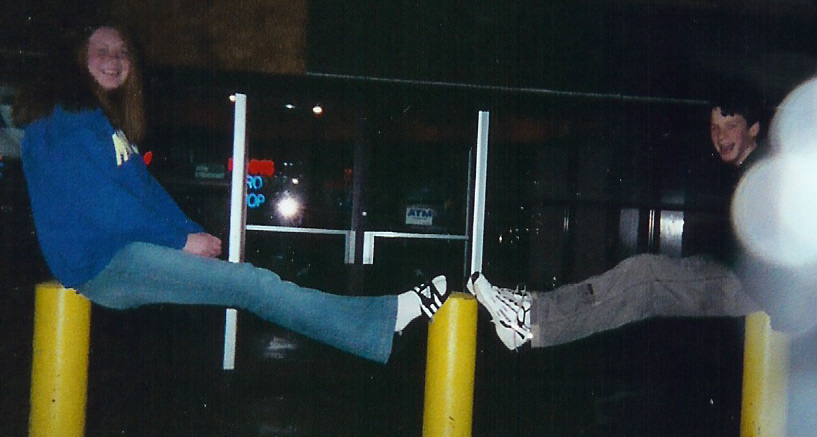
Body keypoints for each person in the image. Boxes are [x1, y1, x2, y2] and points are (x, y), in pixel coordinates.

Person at [12, 23, 450, 364]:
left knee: (248, 284)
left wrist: (192, 232)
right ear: (78, 59)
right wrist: (181, 241)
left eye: (122, 52)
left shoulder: (100, 123)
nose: (115, 60)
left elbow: (147, 194)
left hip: (116, 255)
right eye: (102, 51)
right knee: (251, 284)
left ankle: (378, 325)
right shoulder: (64, 117)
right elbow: (103, 204)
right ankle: (383, 323)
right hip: (102, 263)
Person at [465, 89, 775, 350]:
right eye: (714, 128)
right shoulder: (746, 174)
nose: (720, 136)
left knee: (646, 278)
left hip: (759, 285)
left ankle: (531, 320)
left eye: (730, 126)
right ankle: (532, 313)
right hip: (750, 279)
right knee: (643, 279)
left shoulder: (765, 172)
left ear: (754, 129)